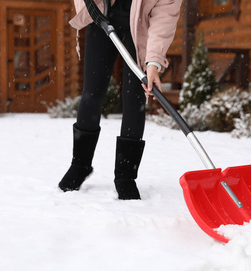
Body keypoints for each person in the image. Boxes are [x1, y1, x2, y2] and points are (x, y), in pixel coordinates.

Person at [59, 0, 182, 199]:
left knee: (135, 97)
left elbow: (164, 19)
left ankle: (125, 175)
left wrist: (153, 64)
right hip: (102, 18)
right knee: (92, 93)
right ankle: (80, 165)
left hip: (141, 29)